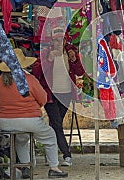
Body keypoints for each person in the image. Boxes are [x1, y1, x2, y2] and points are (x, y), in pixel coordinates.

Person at [0, 48, 68, 179]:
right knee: (50, 137)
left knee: (21, 140)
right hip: (28, 120)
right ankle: (54, 168)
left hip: (4, 121)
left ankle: (25, 167)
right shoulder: (29, 79)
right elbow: (43, 99)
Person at [32, 28, 80, 167]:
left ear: (66, 40)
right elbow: (36, 71)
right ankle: (67, 155)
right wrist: (49, 59)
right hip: (50, 95)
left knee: (55, 125)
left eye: (62, 40)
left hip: (66, 94)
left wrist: (75, 60)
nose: (59, 43)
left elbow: (80, 72)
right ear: (52, 41)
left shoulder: (70, 53)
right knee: (57, 124)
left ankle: (51, 156)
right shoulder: (46, 53)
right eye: (56, 40)